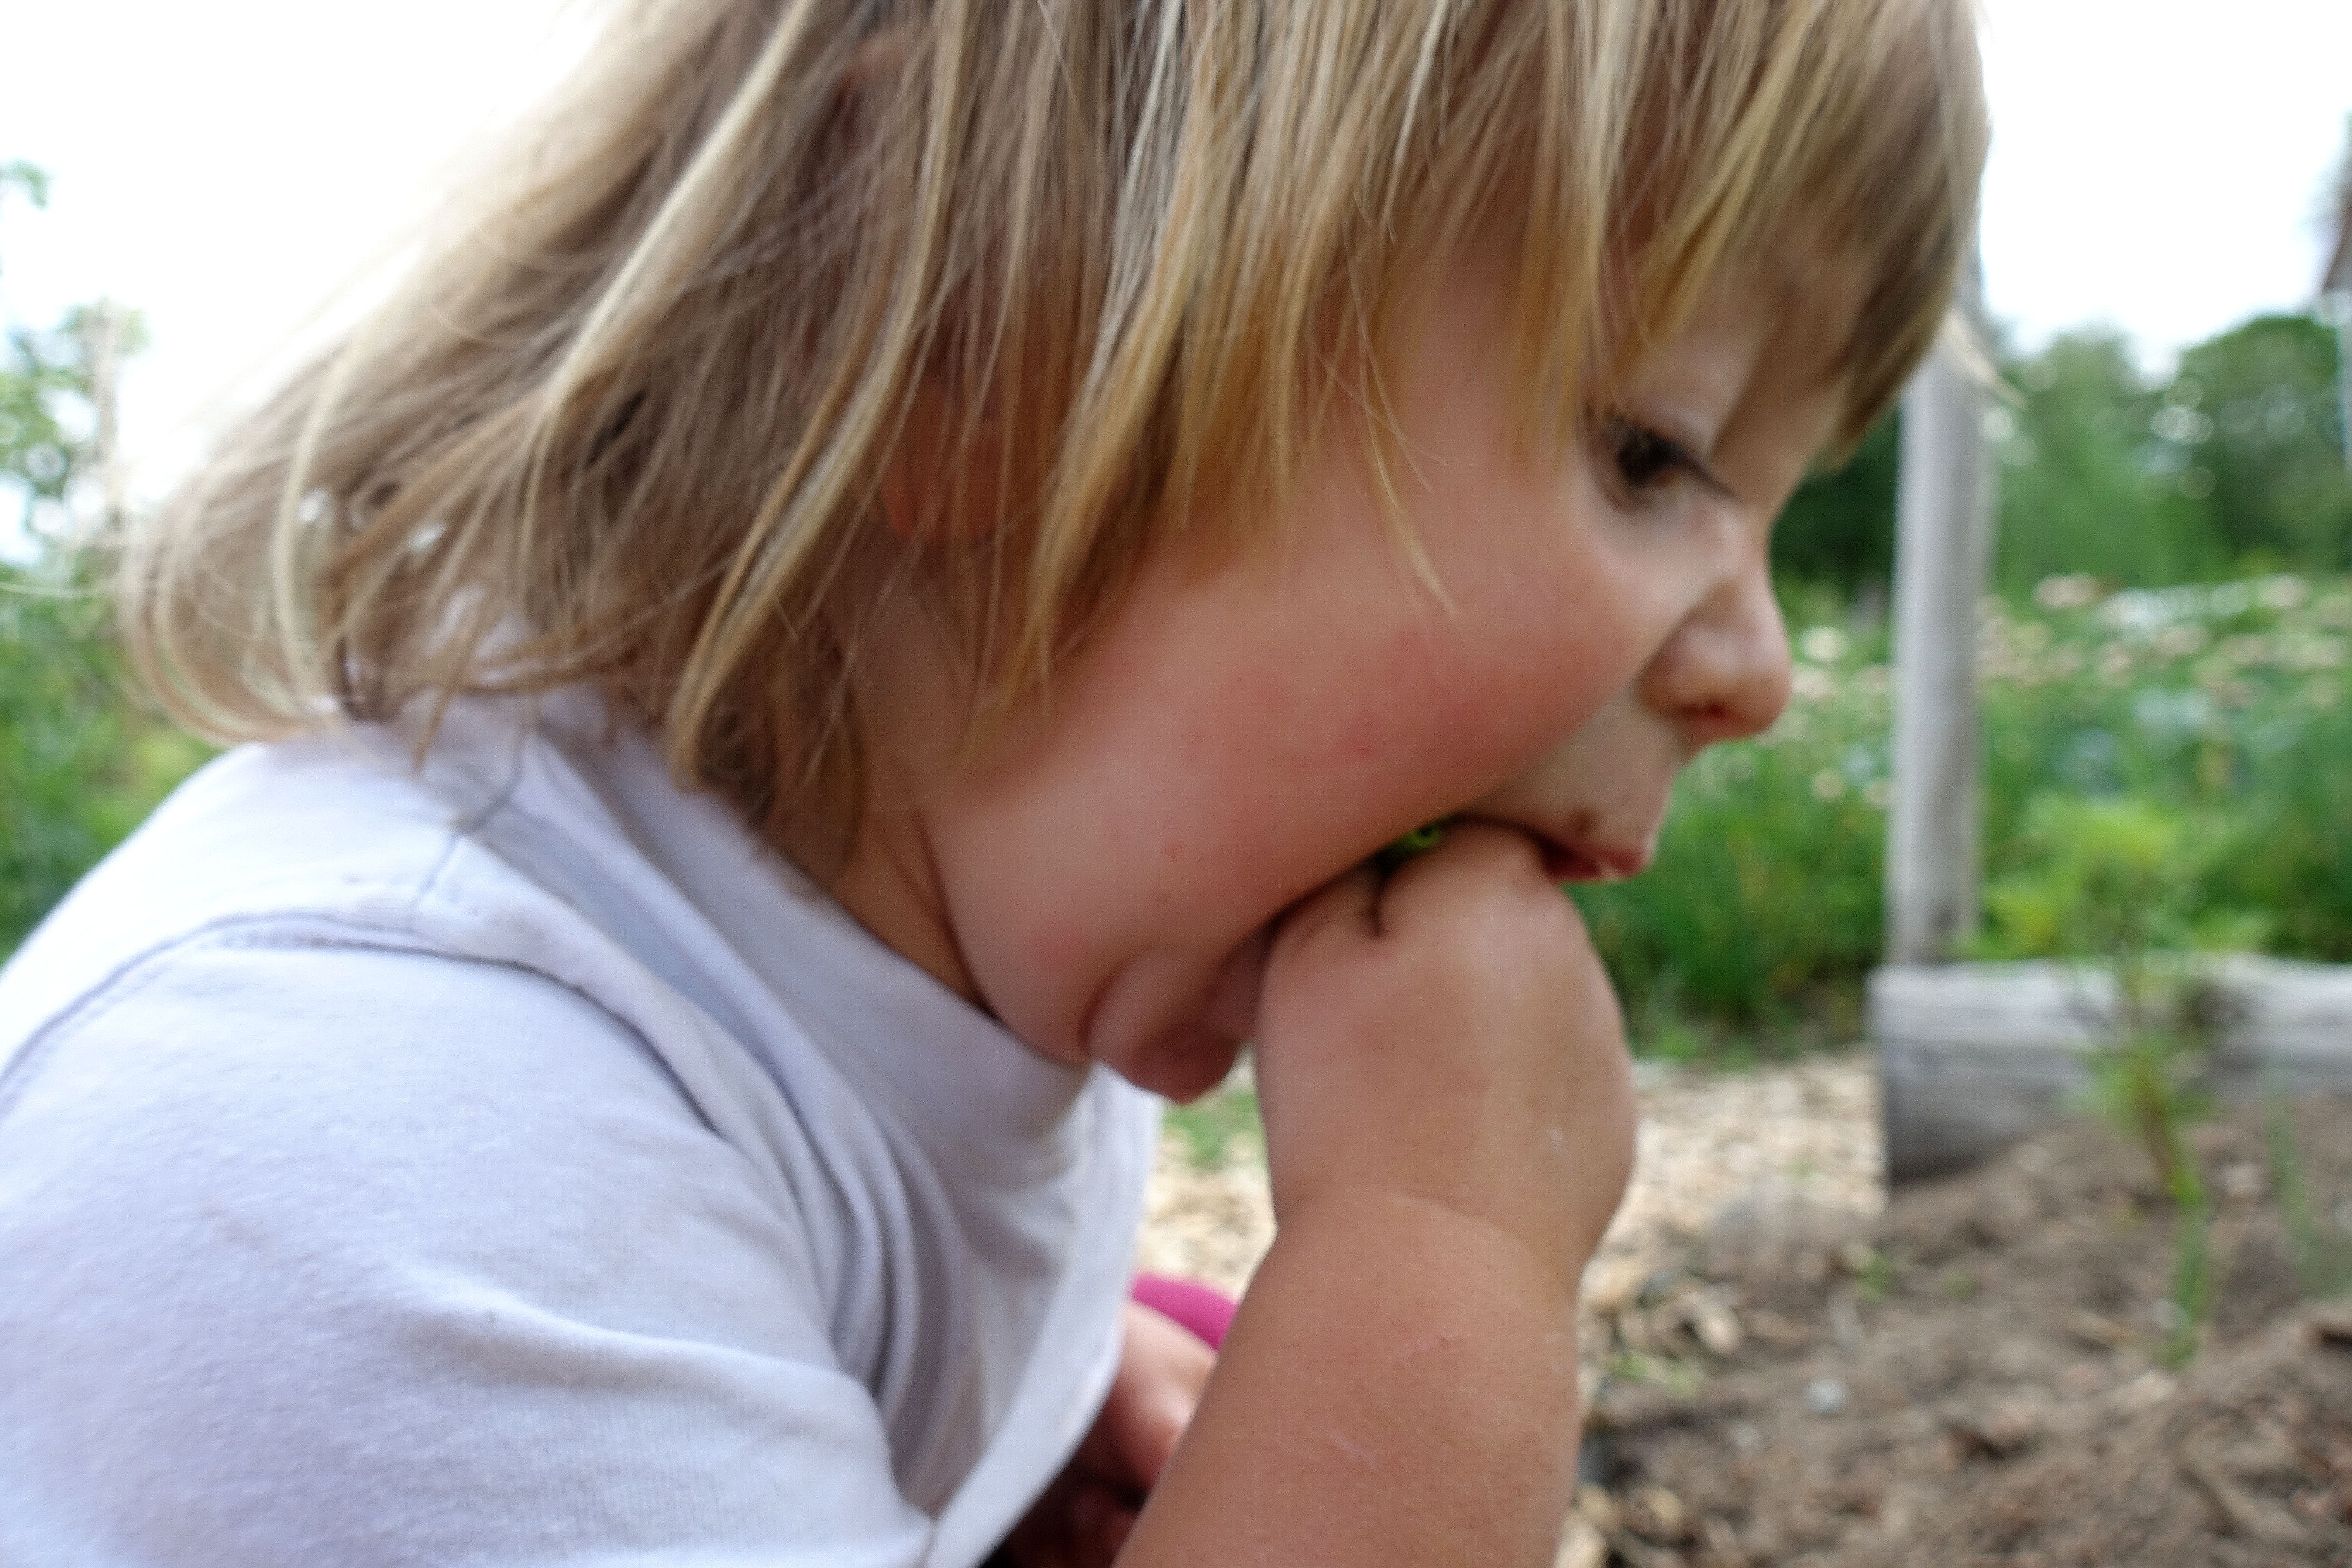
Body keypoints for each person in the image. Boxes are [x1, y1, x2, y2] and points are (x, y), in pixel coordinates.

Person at [0, 2, 1986, 1563]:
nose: (1759, 668)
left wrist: (1019, 1414)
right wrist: (1436, 1276)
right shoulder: (360, 1139)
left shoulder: (984, 914)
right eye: (1656, 450)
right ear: (978, 333)